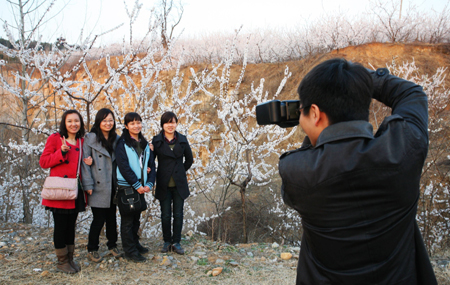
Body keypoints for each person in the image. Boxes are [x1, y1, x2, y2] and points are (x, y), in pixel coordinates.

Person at [279, 58, 437, 284]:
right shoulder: (403, 148)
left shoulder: (297, 171)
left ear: (314, 113)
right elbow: (412, 94)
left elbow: (313, 157)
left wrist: (317, 134)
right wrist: (358, 85)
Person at [39, 109, 87, 274]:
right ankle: (62, 262)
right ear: (64, 123)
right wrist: (61, 152)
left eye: (76, 121)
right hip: (60, 190)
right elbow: (44, 162)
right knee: (60, 226)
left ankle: (70, 259)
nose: (74, 124)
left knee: (71, 227)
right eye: (70, 121)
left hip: (75, 189)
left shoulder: (82, 141)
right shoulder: (56, 139)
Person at [81, 108, 122, 263]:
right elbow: (85, 164)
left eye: (110, 120)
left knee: (112, 218)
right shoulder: (90, 139)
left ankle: (112, 245)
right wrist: (88, 184)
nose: (108, 123)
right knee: (98, 219)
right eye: (104, 120)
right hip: (97, 185)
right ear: (98, 122)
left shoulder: (116, 139)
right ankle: (92, 248)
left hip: (113, 185)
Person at [115, 112, 156, 262]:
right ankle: (130, 251)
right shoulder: (122, 143)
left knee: (136, 218)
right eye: (132, 123)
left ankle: (135, 244)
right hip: (127, 186)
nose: (136, 125)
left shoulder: (145, 144)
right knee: (127, 220)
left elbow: (152, 164)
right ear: (126, 126)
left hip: (141, 186)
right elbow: (124, 167)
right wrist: (137, 184)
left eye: (138, 122)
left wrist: (149, 183)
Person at [152, 111, 193, 255]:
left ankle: (176, 242)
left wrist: (180, 171)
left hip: (179, 184)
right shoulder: (156, 141)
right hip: (163, 183)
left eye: (173, 122)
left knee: (178, 214)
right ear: (163, 125)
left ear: (176, 123)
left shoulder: (182, 139)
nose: (170, 125)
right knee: (165, 215)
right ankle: (166, 241)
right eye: (167, 122)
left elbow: (189, 160)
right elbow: (151, 162)